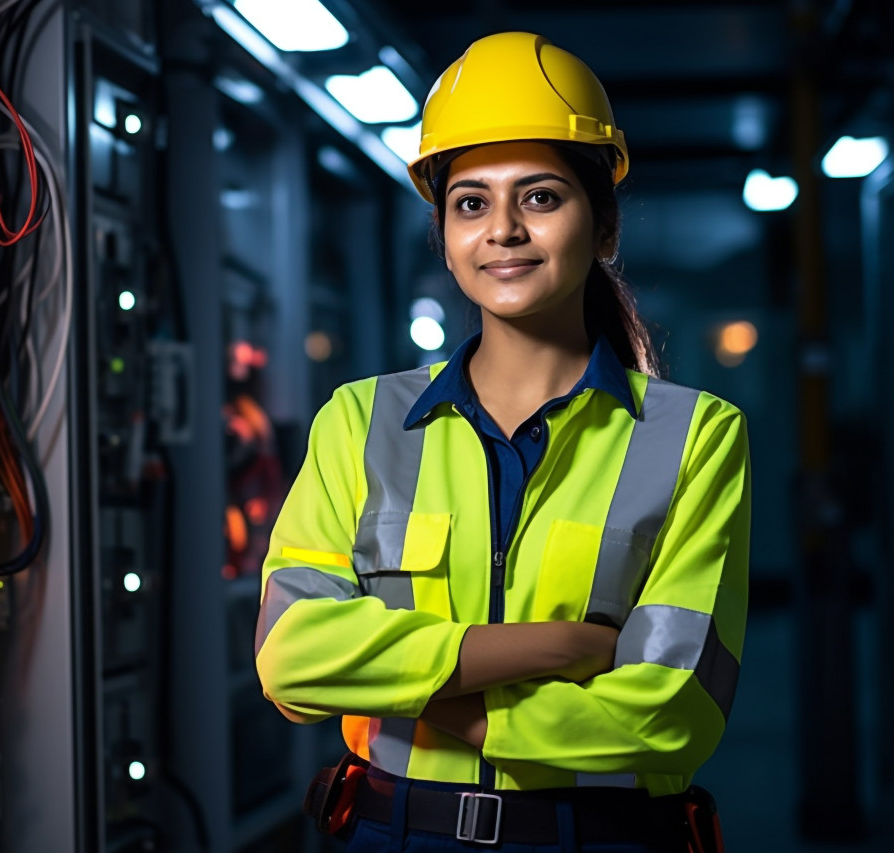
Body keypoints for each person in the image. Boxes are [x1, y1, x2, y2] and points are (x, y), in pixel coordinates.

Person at [254, 31, 750, 852]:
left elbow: (673, 713)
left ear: (604, 227)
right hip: (392, 835)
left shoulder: (694, 436)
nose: (504, 230)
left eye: (542, 196)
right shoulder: (361, 419)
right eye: (472, 202)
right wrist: (550, 646)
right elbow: (292, 656)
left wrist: (427, 698)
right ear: (446, 237)